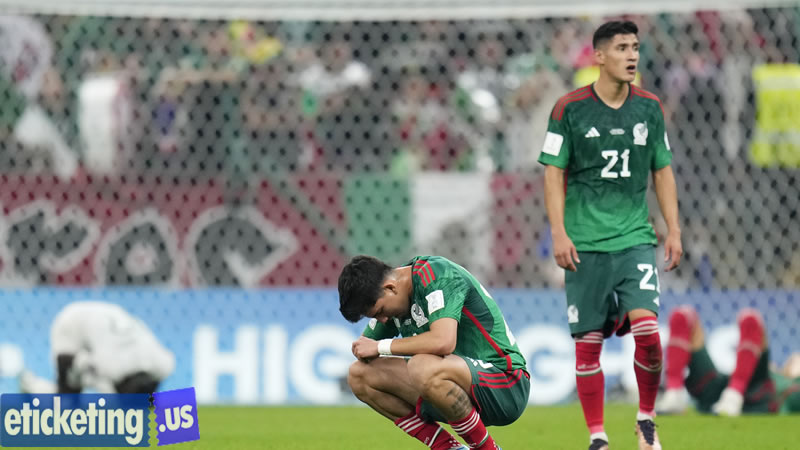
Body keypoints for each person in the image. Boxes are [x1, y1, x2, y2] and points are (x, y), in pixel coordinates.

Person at [537, 21, 683, 450]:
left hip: (635, 238)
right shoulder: (569, 109)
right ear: (599, 56)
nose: (632, 55)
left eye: (635, 47)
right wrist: (558, 232)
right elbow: (553, 173)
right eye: (621, 48)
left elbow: (662, 170)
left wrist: (673, 229)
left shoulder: (650, 108)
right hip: (584, 243)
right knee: (588, 345)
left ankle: (647, 419)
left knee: (649, 334)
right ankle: (598, 437)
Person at [338, 255, 529, 450]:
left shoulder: (439, 276)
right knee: (359, 375)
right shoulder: (395, 298)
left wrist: (380, 346)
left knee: (421, 366)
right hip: (454, 387)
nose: (383, 320)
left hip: (506, 385)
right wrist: (366, 347)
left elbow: (443, 341)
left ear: (390, 288)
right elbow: (366, 349)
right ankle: (449, 448)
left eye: (380, 311)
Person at [659, 306, 800, 416]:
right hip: (721, 392)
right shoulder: (775, 376)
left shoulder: (788, 389)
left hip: (756, 393)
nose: (794, 357)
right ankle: (674, 393)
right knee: (682, 316)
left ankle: (734, 396)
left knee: (750, 318)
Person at [19, 301, 175, 394]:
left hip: (102, 319)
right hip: (70, 324)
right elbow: (91, 375)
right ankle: (31, 387)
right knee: (68, 399)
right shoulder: (111, 367)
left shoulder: (162, 365)